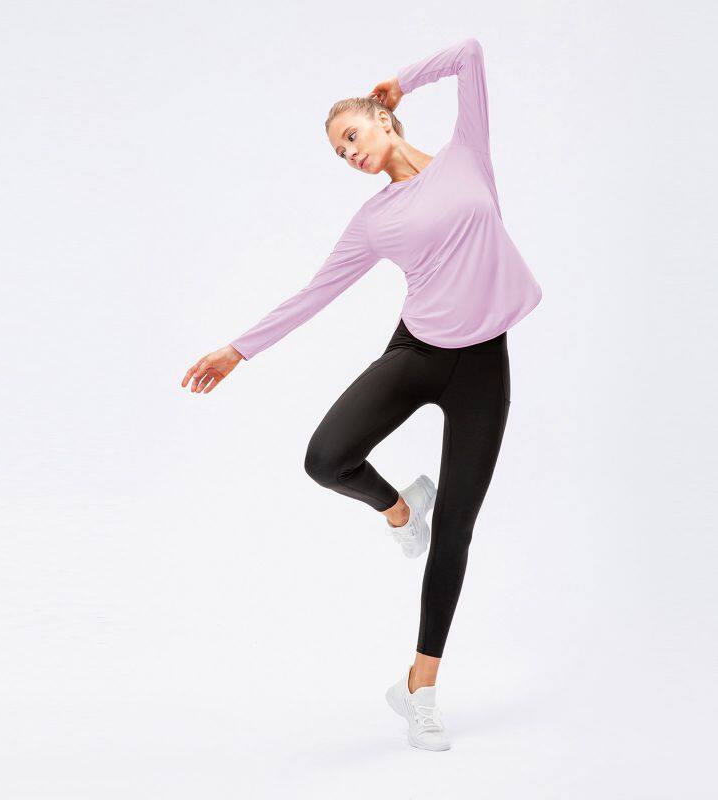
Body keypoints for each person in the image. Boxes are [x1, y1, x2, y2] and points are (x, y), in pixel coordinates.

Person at [181, 37, 542, 751]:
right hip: (418, 353)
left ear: (382, 119)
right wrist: (237, 349)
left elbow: (470, 55)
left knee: (457, 532)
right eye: (339, 152)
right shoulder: (374, 221)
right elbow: (315, 293)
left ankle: (420, 689)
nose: (349, 154)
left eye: (351, 136)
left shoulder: (468, 154)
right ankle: (400, 508)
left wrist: (400, 80)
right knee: (326, 458)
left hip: (483, 367)